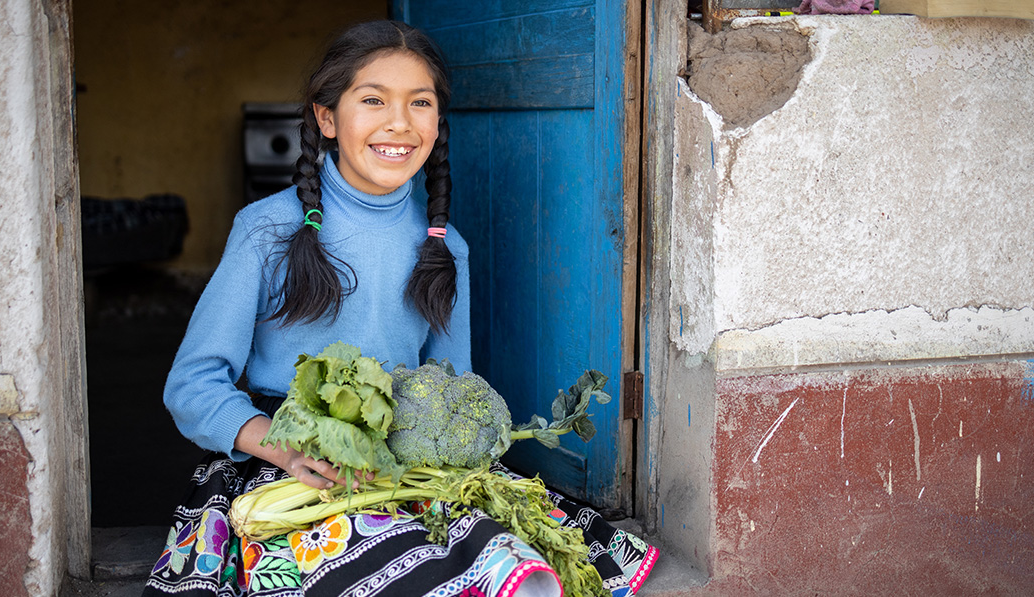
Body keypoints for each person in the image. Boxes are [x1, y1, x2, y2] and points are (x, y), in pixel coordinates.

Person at [143, 20, 657, 597]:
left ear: (437, 126)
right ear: (327, 118)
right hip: (287, 460)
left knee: (520, 558)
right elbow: (192, 384)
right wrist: (279, 445)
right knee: (379, 556)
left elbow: (452, 385)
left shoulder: (447, 249)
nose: (399, 122)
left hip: (401, 461)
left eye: (420, 103)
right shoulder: (267, 231)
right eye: (373, 100)